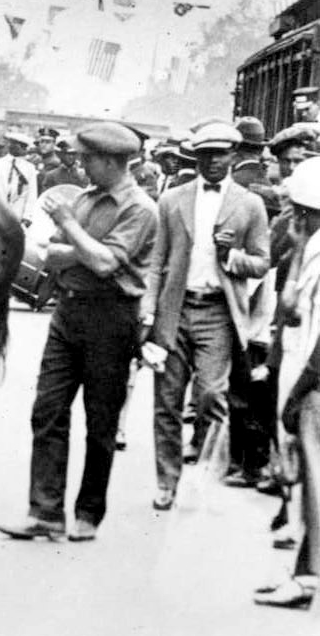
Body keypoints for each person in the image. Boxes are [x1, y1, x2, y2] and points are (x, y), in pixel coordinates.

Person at [0, 121, 157, 542]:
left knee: (100, 421)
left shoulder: (139, 208)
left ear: (110, 161)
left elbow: (107, 264)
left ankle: (88, 512)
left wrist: (71, 228)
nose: (81, 166)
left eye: (87, 160)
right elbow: (51, 257)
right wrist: (83, 249)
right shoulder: (87, 199)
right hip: (68, 312)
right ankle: (46, 511)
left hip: (112, 319)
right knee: (47, 410)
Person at [142, 122, 271, 510]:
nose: (214, 161)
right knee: (167, 399)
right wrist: (148, 310)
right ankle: (167, 482)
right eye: (206, 154)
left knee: (212, 395)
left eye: (221, 154)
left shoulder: (250, 204)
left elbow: (262, 263)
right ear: (195, 157)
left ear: (234, 156)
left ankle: (201, 471)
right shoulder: (172, 200)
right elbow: (156, 261)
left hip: (218, 310)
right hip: (174, 309)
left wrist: (231, 255)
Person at [254, 155, 320, 610]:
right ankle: (303, 574)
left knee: (314, 482)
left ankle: (308, 578)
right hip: (305, 375)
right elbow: (292, 307)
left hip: (314, 381)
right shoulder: (312, 249)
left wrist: (298, 394)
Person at [0, 131, 38, 227]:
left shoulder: (29, 168)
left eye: (24, 147)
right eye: (14, 144)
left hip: (17, 215)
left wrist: (27, 217)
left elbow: (31, 194)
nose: (23, 150)